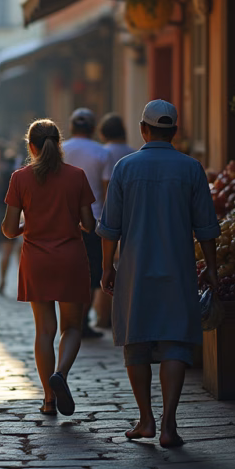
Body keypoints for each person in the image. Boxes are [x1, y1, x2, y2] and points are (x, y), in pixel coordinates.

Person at [97, 100, 220, 448]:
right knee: (175, 345)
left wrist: (108, 267)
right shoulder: (191, 168)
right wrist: (211, 269)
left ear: (143, 130)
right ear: (174, 132)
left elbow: (110, 228)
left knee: (136, 344)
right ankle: (169, 425)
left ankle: (145, 420)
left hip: (134, 270)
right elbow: (206, 228)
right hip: (177, 269)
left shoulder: (125, 168)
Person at [2, 119, 96, 417]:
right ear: (58, 144)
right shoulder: (77, 176)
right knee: (72, 327)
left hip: (37, 260)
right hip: (70, 259)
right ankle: (62, 375)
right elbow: (90, 224)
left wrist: (26, 226)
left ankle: (48, 399)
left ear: (30, 146)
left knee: (44, 330)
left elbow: (7, 229)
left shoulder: (20, 178)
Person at [62, 108, 114, 338]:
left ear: (71, 127)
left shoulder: (61, 151)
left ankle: (69, 321)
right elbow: (107, 190)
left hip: (63, 222)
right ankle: (81, 322)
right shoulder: (102, 153)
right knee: (91, 274)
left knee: (67, 273)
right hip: (93, 221)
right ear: (93, 128)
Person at [95, 113, 135, 328]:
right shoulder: (132, 153)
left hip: (104, 217)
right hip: (130, 218)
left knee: (106, 268)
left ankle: (103, 317)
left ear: (102, 133)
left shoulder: (101, 153)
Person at [0, 146, 20, 295]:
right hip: (22, 215)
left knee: (6, 252)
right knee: (21, 253)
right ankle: (22, 280)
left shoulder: (3, 174)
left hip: (5, 213)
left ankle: (2, 280)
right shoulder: (20, 175)